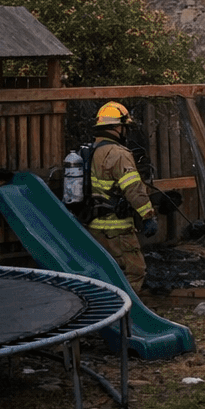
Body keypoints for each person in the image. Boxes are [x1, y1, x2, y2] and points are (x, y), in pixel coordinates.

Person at [87, 101, 156, 293]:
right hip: (117, 229)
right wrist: (148, 216)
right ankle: (129, 315)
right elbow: (133, 189)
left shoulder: (89, 152)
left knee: (106, 273)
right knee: (134, 271)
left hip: (93, 227)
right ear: (117, 127)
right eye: (124, 127)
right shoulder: (118, 153)